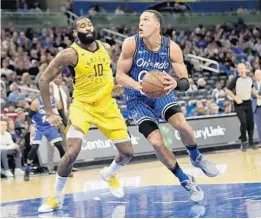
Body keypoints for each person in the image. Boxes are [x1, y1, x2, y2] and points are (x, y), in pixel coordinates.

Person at [116, 10, 218, 202]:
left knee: (181, 124)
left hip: (161, 94)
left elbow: (185, 81)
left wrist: (175, 83)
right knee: (156, 142)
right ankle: (185, 179)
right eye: (139, 20)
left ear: (157, 25)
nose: (141, 23)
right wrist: (139, 86)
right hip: (136, 99)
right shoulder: (131, 43)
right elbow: (119, 76)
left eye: (145, 20)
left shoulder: (171, 47)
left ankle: (196, 157)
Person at [37, 17, 134, 213]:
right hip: (82, 106)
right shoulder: (69, 54)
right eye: (82, 26)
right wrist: (49, 112)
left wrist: (113, 86)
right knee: (71, 152)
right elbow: (43, 80)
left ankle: (109, 174)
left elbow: (105, 71)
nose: (88, 27)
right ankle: (56, 197)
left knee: (127, 153)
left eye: (90, 24)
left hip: (107, 105)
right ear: (75, 33)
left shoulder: (106, 48)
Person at [24, 87, 67, 181]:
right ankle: (27, 170)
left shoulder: (56, 101)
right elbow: (28, 116)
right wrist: (31, 126)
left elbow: (63, 115)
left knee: (59, 145)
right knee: (34, 147)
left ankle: (65, 169)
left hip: (49, 126)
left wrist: (67, 127)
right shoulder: (36, 102)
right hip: (38, 126)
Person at [226, 63, 254, 151]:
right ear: (237, 70)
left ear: (246, 69)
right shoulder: (235, 79)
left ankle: (251, 142)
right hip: (239, 104)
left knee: (251, 123)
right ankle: (243, 141)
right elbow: (227, 90)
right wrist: (235, 97)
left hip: (248, 103)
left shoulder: (249, 79)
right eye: (240, 68)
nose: (241, 70)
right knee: (243, 122)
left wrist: (257, 94)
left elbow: (252, 88)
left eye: (243, 68)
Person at [251, 69, 261, 149]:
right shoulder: (252, 85)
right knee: (258, 126)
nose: (258, 76)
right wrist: (256, 94)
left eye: (259, 74)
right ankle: (260, 141)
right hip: (256, 108)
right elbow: (251, 94)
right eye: (256, 75)